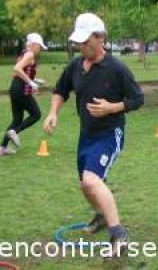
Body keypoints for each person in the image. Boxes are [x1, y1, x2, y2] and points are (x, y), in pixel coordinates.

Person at [43, 13, 144, 257]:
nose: (81, 47)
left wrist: (112, 107)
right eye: (79, 42)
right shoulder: (76, 66)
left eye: (86, 42)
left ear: (100, 38)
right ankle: (101, 215)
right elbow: (60, 90)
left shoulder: (117, 68)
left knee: (90, 180)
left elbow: (137, 99)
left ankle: (119, 234)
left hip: (110, 133)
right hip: (86, 134)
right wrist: (53, 113)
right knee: (85, 186)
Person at [0, 33, 47, 156]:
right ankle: (14, 132)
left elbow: (20, 73)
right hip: (21, 90)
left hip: (15, 88)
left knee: (17, 119)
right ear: (33, 44)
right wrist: (31, 82)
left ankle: (2, 148)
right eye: (39, 46)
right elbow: (17, 68)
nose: (40, 49)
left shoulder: (24, 53)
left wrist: (35, 80)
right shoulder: (30, 54)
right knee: (36, 114)